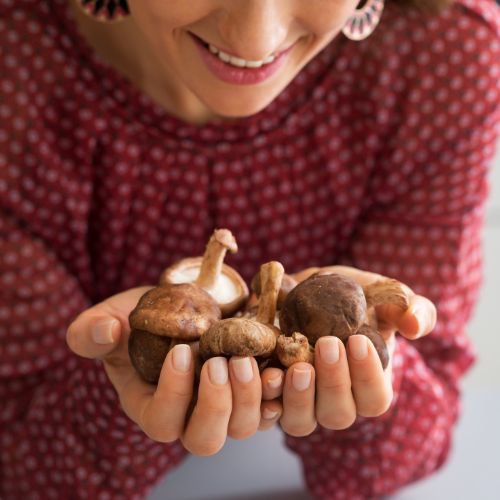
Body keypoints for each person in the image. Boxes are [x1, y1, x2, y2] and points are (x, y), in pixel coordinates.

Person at [1, 0, 499, 498]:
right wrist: (121, 391)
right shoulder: (15, 75)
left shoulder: (445, 59)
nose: (254, 40)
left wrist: (364, 367)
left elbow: (409, 450)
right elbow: (21, 463)